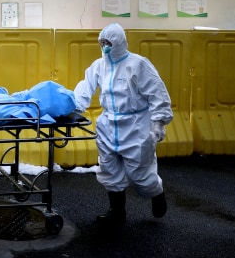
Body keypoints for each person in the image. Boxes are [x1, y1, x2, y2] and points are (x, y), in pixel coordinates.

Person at [73, 23, 173, 226]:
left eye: (108, 42)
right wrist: (75, 108)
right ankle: (117, 212)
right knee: (109, 170)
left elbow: (156, 92)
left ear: (119, 42)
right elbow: (85, 86)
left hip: (136, 126)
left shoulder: (137, 64)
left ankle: (157, 193)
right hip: (108, 124)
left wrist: (159, 122)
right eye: (102, 42)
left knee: (140, 174)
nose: (105, 46)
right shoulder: (99, 65)